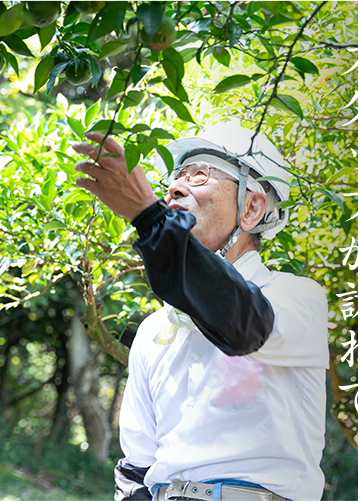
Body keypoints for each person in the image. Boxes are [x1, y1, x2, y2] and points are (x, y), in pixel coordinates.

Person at [72, 121, 329, 501]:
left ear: (252, 208)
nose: (175, 188)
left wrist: (149, 216)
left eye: (200, 175)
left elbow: (244, 323)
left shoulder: (295, 297)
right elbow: (137, 465)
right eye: (174, 180)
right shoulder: (155, 330)